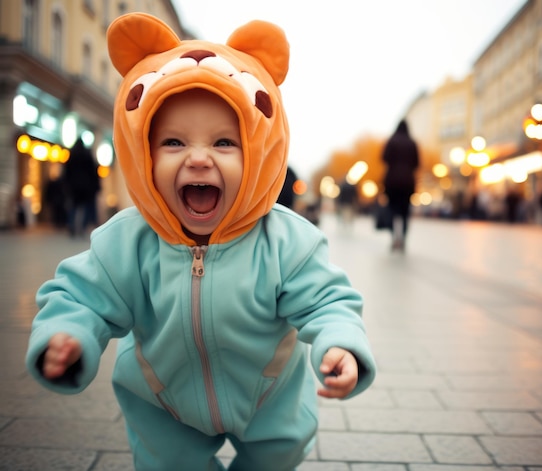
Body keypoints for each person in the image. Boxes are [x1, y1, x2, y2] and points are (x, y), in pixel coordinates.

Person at [25, 13, 376, 471]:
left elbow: (327, 301)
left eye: (224, 143)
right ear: (142, 154)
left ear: (258, 153)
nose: (197, 158)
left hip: (269, 399)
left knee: (280, 450)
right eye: (172, 142)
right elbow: (82, 295)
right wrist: (66, 333)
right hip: (162, 399)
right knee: (166, 462)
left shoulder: (287, 241)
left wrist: (339, 344)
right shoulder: (127, 241)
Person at [382, 119, 419, 251]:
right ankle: (403, 238)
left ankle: (394, 238)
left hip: (392, 182)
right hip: (408, 183)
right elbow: (417, 163)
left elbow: (384, 158)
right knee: (405, 212)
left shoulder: (391, 141)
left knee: (392, 210)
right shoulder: (412, 143)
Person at [63, 137, 100, 237]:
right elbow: (93, 172)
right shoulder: (87, 154)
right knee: (86, 208)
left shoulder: (71, 155)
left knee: (73, 207)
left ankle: (72, 226)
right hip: (86, 187)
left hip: (74, 187)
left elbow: (66, 172)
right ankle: (83, 227)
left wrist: (66, 186)